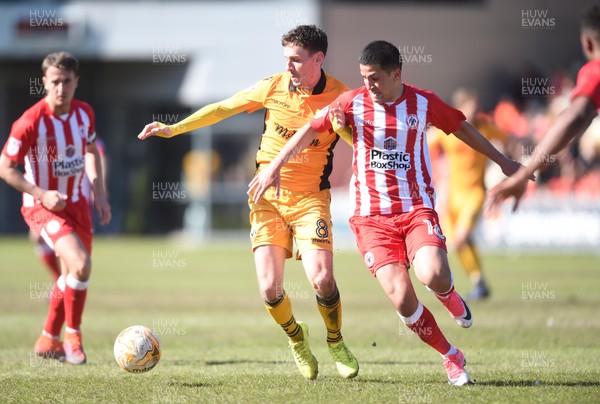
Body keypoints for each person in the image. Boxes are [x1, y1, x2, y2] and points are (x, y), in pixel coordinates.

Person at [249, 40, 522, 386]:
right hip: (371, 220)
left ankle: (447, 293)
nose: (369, 86)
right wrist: (276, 164)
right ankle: (450, 356)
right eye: (364, 78)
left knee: (433, 273)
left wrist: (504, 161)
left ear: (396, 74)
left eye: (375, 78)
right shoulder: (352, 103)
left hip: (414, 209)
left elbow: (461, 127)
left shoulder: (424, 103)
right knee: (403, 298)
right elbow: (309, 129)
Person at [138, 25, 358, 380]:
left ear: (318, 59)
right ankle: (297, 339)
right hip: (266, 199)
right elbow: (223, 108)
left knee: (321, 279)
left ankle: (335, 340)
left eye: (296, 60)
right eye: (285, 58)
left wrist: (346, 131)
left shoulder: (340, 97)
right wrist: (174, 128)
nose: (289, 66)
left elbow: (358, 140)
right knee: (270, 288)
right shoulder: (272, 86)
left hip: (310, 200)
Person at [0, 52, 111, 365]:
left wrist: (99, 193)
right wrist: (41, 193)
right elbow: (6, 168)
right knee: (81, 265)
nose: (60, 87)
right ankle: (73, 339)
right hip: (41, 206)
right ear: (45, 82)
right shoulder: (30, 121)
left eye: (66, 81)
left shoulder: (84, 113)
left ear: (76, 82)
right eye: (55, 81)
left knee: (70, 277)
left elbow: (91, 151)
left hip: (77, 203)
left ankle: (48, 339)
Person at [488, 5, 600, 211]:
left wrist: (523, 174)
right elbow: (582, 116)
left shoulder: (595, 70)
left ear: (588, 43)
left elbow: (575, 116)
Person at [428, 88, 512, 300]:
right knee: (457, 242)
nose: (475, 111)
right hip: (452, 195)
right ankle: (479, 282)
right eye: (471, 107)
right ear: (461, 108)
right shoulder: (446, 131)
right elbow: (424, 146)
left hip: (475, 192)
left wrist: (507, 166)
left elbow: (508, 140)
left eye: (476, 107)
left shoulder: (484, 127)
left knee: (461, 238)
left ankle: (450, 284)